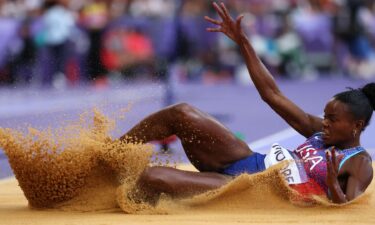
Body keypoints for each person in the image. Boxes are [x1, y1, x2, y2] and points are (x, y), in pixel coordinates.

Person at [120, 2, 374, 205]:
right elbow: (272, 94)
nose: (325, 123)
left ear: (356, 125)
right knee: (181, 112)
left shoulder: (359, 164)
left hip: (250, 190)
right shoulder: (320, 131)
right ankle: (111, 155)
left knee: (151, 178)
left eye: (332, 119)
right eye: (326, 117)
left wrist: (331, 185)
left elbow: (344, 209)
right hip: (249, 161)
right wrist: (244, 44)